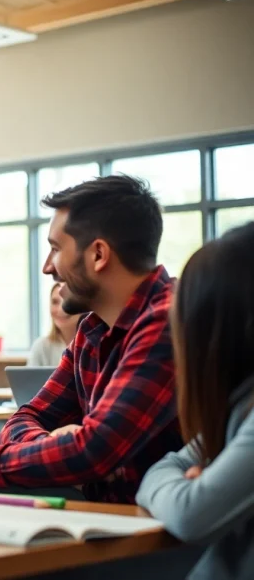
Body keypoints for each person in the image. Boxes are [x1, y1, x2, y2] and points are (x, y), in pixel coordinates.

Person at [0, 175, 183, 503]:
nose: (48, 267)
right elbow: (24, 417)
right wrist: (55, 447)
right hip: (114, 524)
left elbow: (94, 452)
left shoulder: (168, 320)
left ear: (98, 255)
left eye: (55, 248)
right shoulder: (92, 330)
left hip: (165, 541)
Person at [137, 221, 254, 579]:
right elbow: (159, 471)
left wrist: (192, 487)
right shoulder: (240, 406)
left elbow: (190, 513)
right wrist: (188, 483)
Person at [27, 282, 84, 367]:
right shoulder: (41, 347)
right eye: (55, 302)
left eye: (68, 302)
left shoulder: (95, 346)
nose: (61, 310)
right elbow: (28, 379)